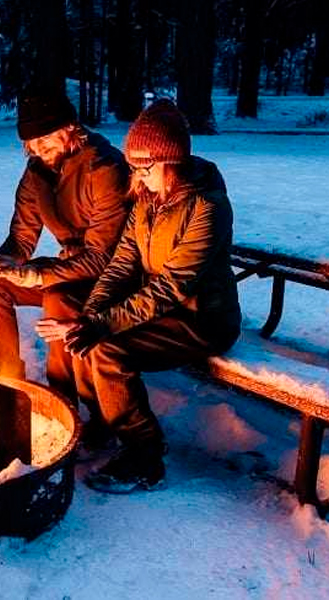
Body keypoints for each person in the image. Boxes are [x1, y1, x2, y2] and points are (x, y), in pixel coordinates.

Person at [35, 99, 242, 494]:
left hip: (202, 320)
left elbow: (172, 287)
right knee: (84, 333)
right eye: (134, 166)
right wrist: (91, 315)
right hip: (159, 309)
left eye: (144, 168)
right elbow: (122, 264)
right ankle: (103, 423)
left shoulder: (207, 207)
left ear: (171, 163)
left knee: (107, 349)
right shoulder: (147, 200)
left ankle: (145, 456)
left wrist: (96, 325)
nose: (137, 175)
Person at [0, 90, 131, 404]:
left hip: (116, 280)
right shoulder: (37, 172)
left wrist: (36, 276)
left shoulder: (104, 169)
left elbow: (102, 257)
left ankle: (65, 400)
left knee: (57, 298)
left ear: (69, 128)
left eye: (47, 137)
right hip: (71, 271)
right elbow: (20, 241)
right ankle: (10, 384)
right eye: (32, 142)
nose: (40, 147)